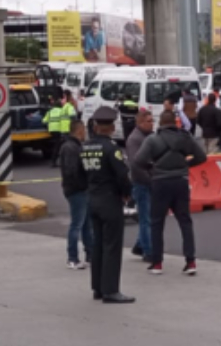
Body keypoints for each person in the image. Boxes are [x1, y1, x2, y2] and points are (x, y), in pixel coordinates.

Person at [134, 110, 207, 276]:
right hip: (181, 181)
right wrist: (186, 165)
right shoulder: (185, 137)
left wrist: (152, 169)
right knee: (185, 222)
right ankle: (191, 261)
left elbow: (138, 160)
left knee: (157, 223)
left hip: (160, 183)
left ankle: (157, 263)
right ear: (175, 123)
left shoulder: (152, 139)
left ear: (160, 123)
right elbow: (202, 157)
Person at [80, 106, 135, 303]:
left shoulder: (85, 147)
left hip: (92, 199)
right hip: (110, 200)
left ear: (95, 126)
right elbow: (122, 175)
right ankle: (111, 290)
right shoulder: (111, 148)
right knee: (112, 245)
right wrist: (127, 194)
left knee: (98, 245)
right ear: (111, 127)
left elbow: (79, 175)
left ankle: (98, 287)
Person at [59, 119, 93, 270]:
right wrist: (83, 183)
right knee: (77, 224)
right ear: (79, 131)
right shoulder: (71, 148)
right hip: (77, 191)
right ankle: (72, 258)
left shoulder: (75, 146)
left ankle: (91, 255)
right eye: (84, 129)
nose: (85, 132)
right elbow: (71, 171)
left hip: (81, 190)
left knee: (86, 225)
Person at [125, 109, 155, 262]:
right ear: (140, 122)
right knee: (146, 218)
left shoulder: (150, 136)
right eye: (149, 121)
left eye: (152, 120)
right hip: (141, 183)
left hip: (150, 181)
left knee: (148, 217)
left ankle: (140, 245)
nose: (152, 124)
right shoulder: (135, 139)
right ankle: (148, 252)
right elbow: (135, 165)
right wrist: (149, 180)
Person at [42, 93, 72, 168]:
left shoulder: (50, 111)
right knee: (59, 146)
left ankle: (55, 161)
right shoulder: (61, 111)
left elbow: (44, 121)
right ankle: (55, 161)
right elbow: (63, 120)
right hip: (59, 130)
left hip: (52, 131)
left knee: (57, 144)